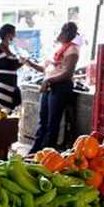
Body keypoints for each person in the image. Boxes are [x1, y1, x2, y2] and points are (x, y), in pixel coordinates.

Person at [24, 22, 81, 153]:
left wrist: (49, 80)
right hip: (50, 85)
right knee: (42, 120)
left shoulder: (72, 50)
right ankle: (35, 151)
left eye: (62, 32)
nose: (59, 34)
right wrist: (30, 63)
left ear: (67, 34)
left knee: (52, 123)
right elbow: (46, 69)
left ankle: (47, 153)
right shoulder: (58, 48)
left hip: (60, 87)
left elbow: (68, 73)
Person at [0, 24, 24, 112]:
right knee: (2, 113)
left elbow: (12, 67)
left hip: (12, 88)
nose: (15, 36)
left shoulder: (12, 49)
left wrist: (23, 62)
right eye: (13, 34)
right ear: (8, 35)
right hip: (1, 90)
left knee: (11, 115)